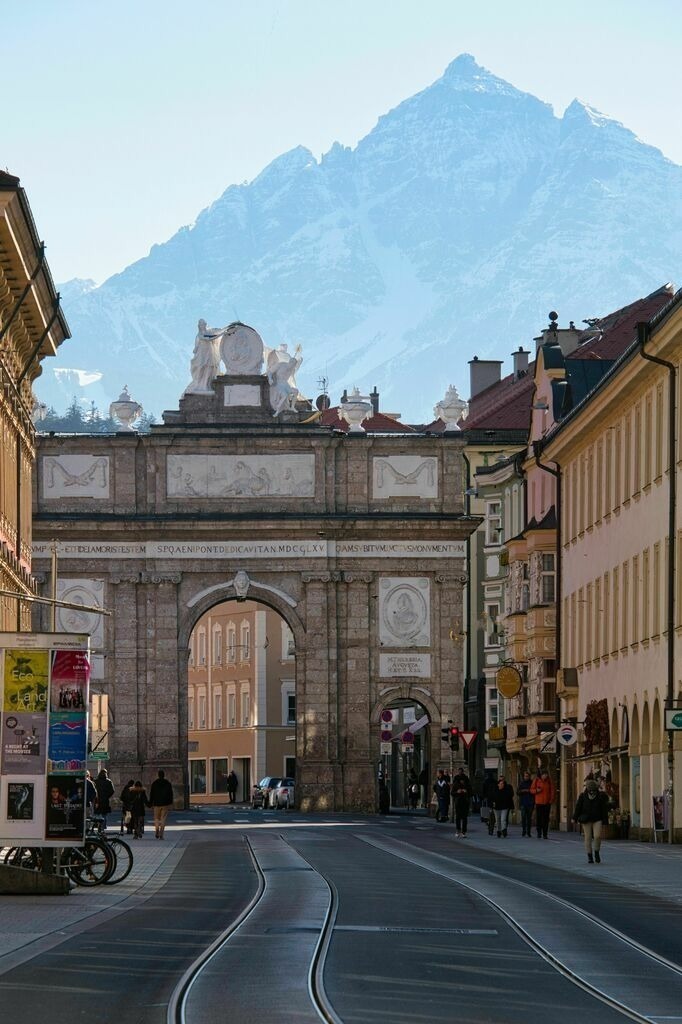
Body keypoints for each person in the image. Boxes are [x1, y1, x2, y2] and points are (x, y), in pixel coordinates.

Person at [572, 778, 610, 863]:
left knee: (597, 836)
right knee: (588, 837)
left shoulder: (600, 796)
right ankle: (589, 856)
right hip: (586, 819)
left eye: (594, 790)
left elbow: (604, 809)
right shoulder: (582, 796)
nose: (592, 792)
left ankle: (596, 852)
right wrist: (574, 818)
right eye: (590, 790)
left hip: (597, 819)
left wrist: (605, 821)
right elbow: (578, 808)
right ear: (587, 789)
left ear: (596, 789)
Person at [148, 769, 174, 839]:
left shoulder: (154, 783)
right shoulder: (168, 783)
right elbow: (170, 794)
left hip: (156, 804)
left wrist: (150, 803)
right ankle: (161, 835)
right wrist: (170, 803)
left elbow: (152, 794)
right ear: (164, 775)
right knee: (163, 819)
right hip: (165, 804)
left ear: (158, 775)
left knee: (156, 818)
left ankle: (157, 830)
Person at [530, 769, 555, 839]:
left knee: (546, 819)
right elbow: (531, 790)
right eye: (544, 775)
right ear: (541, 775)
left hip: (547, 803)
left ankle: (545, 833)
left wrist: (551, 800)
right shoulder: (537, 780)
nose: (545, 776)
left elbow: (552, 790)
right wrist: (536, 790)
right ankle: (539, 832)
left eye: (546, 775)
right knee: (539, 818)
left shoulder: (549, 781)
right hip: (539, 802)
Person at [451, 769, 472, 837]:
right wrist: (457, 792)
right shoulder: (456, 783)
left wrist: (466, 791)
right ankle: (458, 830)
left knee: (464, 817)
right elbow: (452, 793)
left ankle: (463, 831)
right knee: (458, 817)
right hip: (458, 801)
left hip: (465, 801)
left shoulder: (467, 783)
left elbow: (471, 793)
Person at [518, 770, 535, 837]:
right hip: (523, 803)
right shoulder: (521, 783)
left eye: (527, 776)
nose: (526, 777)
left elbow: (534, 791)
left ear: (529, 776)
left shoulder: (532, 783)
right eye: (525, 776)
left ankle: (528, 832)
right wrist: (523, 790)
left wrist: (530, 791)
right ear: (524, 776)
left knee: (529, 818)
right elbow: (518, 792)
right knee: (523, 817)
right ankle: (523, 831)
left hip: (530, 803)